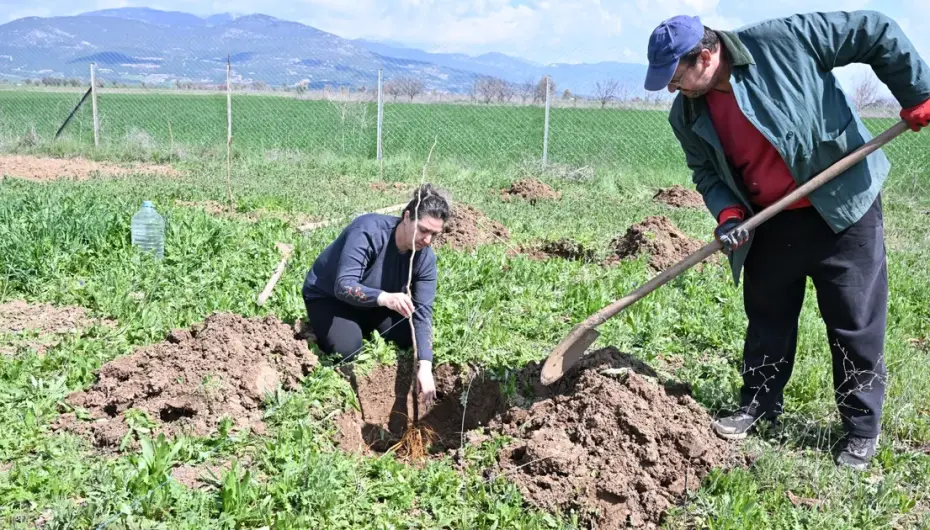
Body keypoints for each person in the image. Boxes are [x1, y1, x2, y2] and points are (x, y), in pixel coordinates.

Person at [644, 10, 930, 470]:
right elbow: (704, 171)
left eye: (677, 76)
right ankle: (758, 403)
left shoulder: (783, 41)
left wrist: (917, 92)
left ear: (706, 53)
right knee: (767, 317)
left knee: (853, 322)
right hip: (768, 220)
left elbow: (874, 29)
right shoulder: (688, 115)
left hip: (842, 205)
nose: (674, 89)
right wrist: (729, 212)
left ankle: (860, 429)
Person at [302, 184, 451, 406]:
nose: (427, 240)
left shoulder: (424, 258)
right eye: (423, 230)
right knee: (348, 349)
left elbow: (422, 312)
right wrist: (386, 298)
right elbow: (343, 285)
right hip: (331, 298)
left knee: (408, 337)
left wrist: (426, 365)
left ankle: (362, 323)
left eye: (434, 234)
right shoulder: (369, 232)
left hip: (376, 303)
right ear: (407, 216)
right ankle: (333, 328)